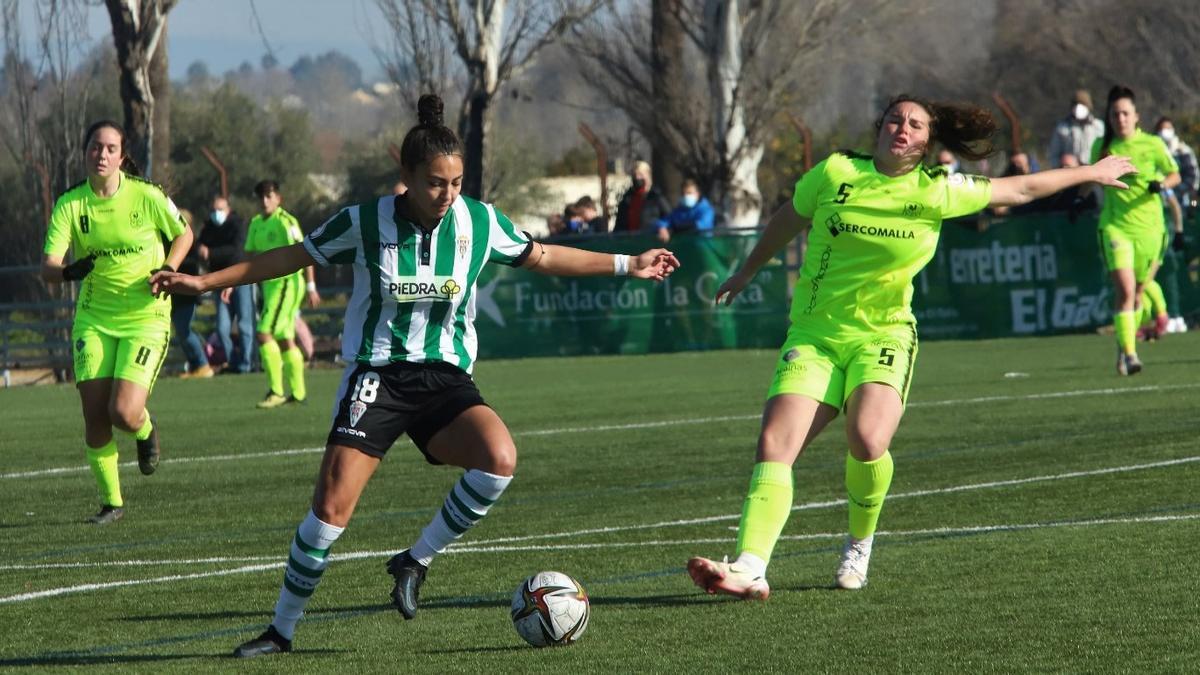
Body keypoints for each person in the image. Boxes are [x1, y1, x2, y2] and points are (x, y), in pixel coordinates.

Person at [150, 94, 680, 658]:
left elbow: (544, 255)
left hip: (444, 380)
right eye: (435, 183)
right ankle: (281, 631)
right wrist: (204, 284)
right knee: (330, 511)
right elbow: (291, 257)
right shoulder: (363, 221)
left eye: (455, 182)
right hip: (376, 377)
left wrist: (629, 263)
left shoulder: (478, 221)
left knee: (499, 459)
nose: (448, 194)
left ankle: (415, 560)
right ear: (405, 176)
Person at [685, 94, 1135, 600]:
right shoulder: (835, 172)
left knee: (868, 440)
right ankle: (750, 567)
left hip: (885, 334)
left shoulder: (937, 190)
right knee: (775, 445)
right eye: (896, 120)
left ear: (926, 142)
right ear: (880, 128)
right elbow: (790, 217)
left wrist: (1090, 172)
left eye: (916, 125)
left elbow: (1023, 186)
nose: (903, 129)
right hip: (815, 335)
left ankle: (859, 542)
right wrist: (748, 269)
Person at [41, 119, 192, 524]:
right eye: (95, 147)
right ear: (85, 151)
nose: (102, 154)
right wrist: (70, 272)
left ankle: (144, 430)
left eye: (110, 148)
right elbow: (49, 266)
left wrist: (168, 267)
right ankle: (112, 504)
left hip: (146, 316)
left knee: (123, 412)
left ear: (122, 155)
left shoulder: (147, 196)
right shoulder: (71, 203)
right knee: (94, 414)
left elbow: (184, 234)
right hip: (93, 318)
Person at [1089, 85, 1180, 375]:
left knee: (1138, 293)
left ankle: (1124, 344)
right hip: (1116, 227)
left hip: (1151, 230)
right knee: (1126, 289)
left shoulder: (1152, 145)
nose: (1121, 119)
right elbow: (1091, 177)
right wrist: (1081, 196)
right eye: (1115, 114)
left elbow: (1175, 173)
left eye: (1126, 113)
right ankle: (1130, 354)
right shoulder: (1102, 147)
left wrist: (1162, 185)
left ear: (1136, 116)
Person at [244, 180, 321, 407]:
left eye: (269, 196)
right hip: (268, 287)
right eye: (261, 197)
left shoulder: (286, 222)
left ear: (279, 198)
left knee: (263, 332)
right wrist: (231, 282)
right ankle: (298, 394)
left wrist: (311, 286)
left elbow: (305, 252)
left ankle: (276, 391)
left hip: (286, 284)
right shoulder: (256, 223)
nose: (265, 201)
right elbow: (249, 257)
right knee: (285, 339)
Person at [198, 195, 254, 374]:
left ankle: (247, 364)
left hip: (241, 279)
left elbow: (236, 252)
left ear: (228, 209)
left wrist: (211, 253)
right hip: (219, 281)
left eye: (220, 210)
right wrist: (200, 248)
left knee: (245, 324)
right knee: (222, 328)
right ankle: (233, 361)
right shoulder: (209, 227)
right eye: (214, 210)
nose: (216, 214)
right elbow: (200, 243)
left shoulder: (237, 224)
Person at [171, 208, 213, 378]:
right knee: (181, 332)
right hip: (175, 295)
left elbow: (190, 266)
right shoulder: (171, 241)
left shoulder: (191, 244)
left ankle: (203, 364)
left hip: (186, 295)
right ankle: (196, 366)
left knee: (184, 330)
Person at [1048, 89, 1105, 168]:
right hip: (1069, 175)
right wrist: (1061, 163)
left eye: (1082, 104)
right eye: (1076, 104)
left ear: (1088, 106)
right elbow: (1053, 156)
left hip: (1093, 174)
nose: (1078, 107)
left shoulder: (1099, 126)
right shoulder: (1062, 127)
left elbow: (1105, 153)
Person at [614, 160, 671, 234]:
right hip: (629, 241)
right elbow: (619, 224)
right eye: (635, 175)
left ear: (648, 175)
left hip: (650, 240)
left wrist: (663, 228)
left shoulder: (656, 197)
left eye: (640, 174)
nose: (637, 178)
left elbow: (669, 218)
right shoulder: (627, 199)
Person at [655, 178, 715, 243]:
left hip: (703, 247)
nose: (686, 196)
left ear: (697, 194)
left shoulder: (706, 209)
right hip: (684, 247)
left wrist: (677, 229)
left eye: (689, 193)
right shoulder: (679, 210)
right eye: (683, 194)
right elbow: (664, 221)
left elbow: (701, 225)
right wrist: (662, 228)